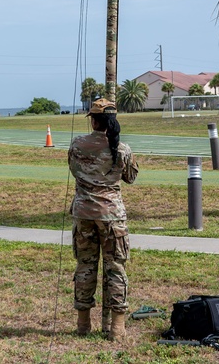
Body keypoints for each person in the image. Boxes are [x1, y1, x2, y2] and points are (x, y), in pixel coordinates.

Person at [69, 98, 138, 341]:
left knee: (85, 267)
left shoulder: (78, 144)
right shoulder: (122, 149)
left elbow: (75, 170)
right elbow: (130, 177)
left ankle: (83, 324)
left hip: (84, 214)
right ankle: (116, 328)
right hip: (112, 216)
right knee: (115, 269)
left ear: (94, 121)